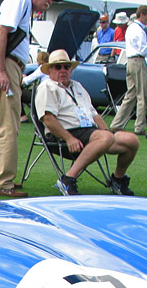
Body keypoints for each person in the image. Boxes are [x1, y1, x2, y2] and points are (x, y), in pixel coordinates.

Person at [0, 0, 62, 198]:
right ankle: (1, 181)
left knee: (2, 124)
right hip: (6, 64)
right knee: (9, 124)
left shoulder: (21, 2)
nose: (50, 2)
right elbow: (0, 32)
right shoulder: (21, 0)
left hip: (9, 65)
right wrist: (1, 71)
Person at [35, 49, 139, 196]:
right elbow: (48, 119)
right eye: (58, 67)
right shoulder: (47, 87)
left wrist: (107, 131)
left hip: (90, 131)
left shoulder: (77, 86)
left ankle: (118, 179)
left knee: (131, 140)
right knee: (105, 137)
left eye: (66, 66)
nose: (63, 70)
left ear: (71, 69)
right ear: (50, 70)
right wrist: (68, 138)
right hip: (66, 133)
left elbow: (94, 114)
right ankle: (68, 179)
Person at [110, 5, 147, 135]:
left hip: (130, 61)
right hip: (138, 61)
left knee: (130, 95)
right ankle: (139, 127)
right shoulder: (139, 30)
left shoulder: (131, 28)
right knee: (142, 95)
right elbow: (143, 48)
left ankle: (117, 124)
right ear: (142, 15)